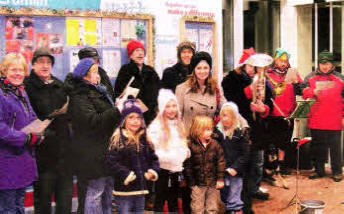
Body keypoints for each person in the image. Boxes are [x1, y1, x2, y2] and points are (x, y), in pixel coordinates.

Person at [67, 58, 121, 213]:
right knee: (95, 193)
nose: (99, 76)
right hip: (93, 152)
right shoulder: (80, 97)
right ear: (85, 76)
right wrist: (116, 110)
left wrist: (117, 108)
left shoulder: (99, 91)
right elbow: (93, 122)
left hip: (106, 150)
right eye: (95, 73)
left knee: (108, 192)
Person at [24, 48, 73, 214]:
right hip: (42, 153)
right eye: (41, 62)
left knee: (64, 200)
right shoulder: (27, 86)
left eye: (48, 62)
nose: (45, 66)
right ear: (33, 65)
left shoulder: (59, 84)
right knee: (43, 199)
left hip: (64, 152)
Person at [0, 53, 43, 213]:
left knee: (19, 205)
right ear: (4, 71)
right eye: (13, 70)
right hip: (6, 162)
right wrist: (25, 138)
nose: (18, 74)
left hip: (23, 160)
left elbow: (30, 116)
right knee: (8, 208)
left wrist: (40, 129)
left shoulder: (20, 92)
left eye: (21, 70)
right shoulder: (1, 94)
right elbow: (1, 128)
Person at [106, 99, 160, 214]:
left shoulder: (144, 138)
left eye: (138, 118)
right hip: (124, 190)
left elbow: (154, 158)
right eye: (131, 118)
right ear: (124, 120)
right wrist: (127, 174)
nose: (135, 121)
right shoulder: (118, 139)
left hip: (141, 190)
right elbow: (112, 162)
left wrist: (152, 171)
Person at [302, 51, 344, 182]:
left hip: (335, 118)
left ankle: (337, 171)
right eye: (322, 63)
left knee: (335, 147)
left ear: (332, 64)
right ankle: (318, 170)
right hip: (316, 118)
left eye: (328, 63)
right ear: (318, 64)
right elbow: (301, 90)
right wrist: (311, 91)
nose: (325, 66)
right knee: (318, 146)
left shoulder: (340, 78)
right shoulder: (310, 77)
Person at [147, 89, 190, 212]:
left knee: (174, 198)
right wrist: (170, 157)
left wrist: (185, 152)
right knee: (160, 198)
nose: (171, 109)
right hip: (162, 170)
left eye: (173, 106)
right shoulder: (156, 126)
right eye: (167, 106)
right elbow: (155, 150)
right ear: (162, 108)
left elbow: (182, 144)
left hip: (176, 169)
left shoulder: (178, 124)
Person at [265, 48, 303, 175]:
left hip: (288, 114)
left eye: (285, 61)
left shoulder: (292, 73)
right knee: (272, 141)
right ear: (275, 61)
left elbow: (301, 92)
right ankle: (273, 166)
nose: (283, 63)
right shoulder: (268, 74)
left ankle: (281, 165)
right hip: (273, 113)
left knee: (285, 141)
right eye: (280, 60)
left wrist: (297, 83)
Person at [213, 102, 250, 214]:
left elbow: (245, 154)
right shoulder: (217, 133)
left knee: (234, 196)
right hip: (222, 171)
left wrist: (236, 168)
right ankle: (229, 208)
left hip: (235, 172)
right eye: (222, 115)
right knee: (224, 195)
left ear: (234, 117)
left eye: (227, 116)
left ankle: (235, 210)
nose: (223, 119)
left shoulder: (239, 134)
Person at [184, 115, 225, 214]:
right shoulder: (190, 145)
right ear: (197, 130)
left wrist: (220, 179)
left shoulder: (215, 145)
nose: (210, 132)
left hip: (213, 183)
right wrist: (191, 183)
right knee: (197, 208)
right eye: (206, 130)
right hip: (197, 184)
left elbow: (221, 162)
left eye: (210, 129)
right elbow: (187, 166)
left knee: (212, 207)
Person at [114, 40, 160, 125]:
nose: (140, 53)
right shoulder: (125, 70)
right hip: (132, 115)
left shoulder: (150, 71)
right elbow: (119, 92)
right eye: (137, 51)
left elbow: (159, 90)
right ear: (130, 55)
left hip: (150, 116)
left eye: (142, 51)